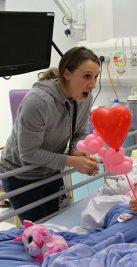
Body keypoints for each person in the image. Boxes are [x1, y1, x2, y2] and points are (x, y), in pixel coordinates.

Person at [0, 47, 101, 222]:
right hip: (21, 175)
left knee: (62, 222)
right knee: (41, 232)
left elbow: (80, 132)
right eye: (86, 76)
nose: (92, 84)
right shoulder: (38, 102)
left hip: (50, 170)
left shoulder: (84, 98)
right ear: (67, 74)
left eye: (95, 77)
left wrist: (78, 152)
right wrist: (70, 161)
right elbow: (28, 153)